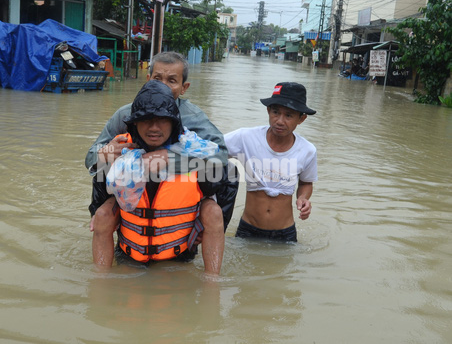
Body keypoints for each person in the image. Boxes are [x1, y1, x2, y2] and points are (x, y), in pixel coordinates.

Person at [85, 51, 237, 270]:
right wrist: (106, 153)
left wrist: (170, 158)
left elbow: (221, 157)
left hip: (177, 199)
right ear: (148, 79)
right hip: (136, 196)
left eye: (172, 81)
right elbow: (92, 159)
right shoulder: (126, 113)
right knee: (103, 177)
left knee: (224, 181)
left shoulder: (193, 117)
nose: (164, 86)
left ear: (184, 88)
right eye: (158, 79)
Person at [224, 82, 318, 242]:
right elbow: (211, 150)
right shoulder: (245, 138)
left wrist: (303, 198)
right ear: (268, 111)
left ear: (301, 119)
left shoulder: (307, 150)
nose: (280, 121)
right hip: (248, 228)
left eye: (288, 115)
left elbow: (306, 183)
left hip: (285, 233)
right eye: (275, 112)